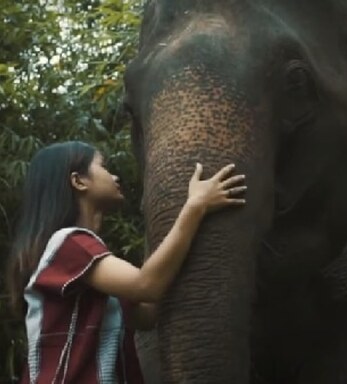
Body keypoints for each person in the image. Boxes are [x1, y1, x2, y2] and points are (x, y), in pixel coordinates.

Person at [7, 141, 247, 383]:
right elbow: (147, 286)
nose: (114, 175)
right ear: (78, 181)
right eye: (103, 167)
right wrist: (195, 206)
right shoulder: (68, 242)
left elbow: (146, 316)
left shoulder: (92, 267)